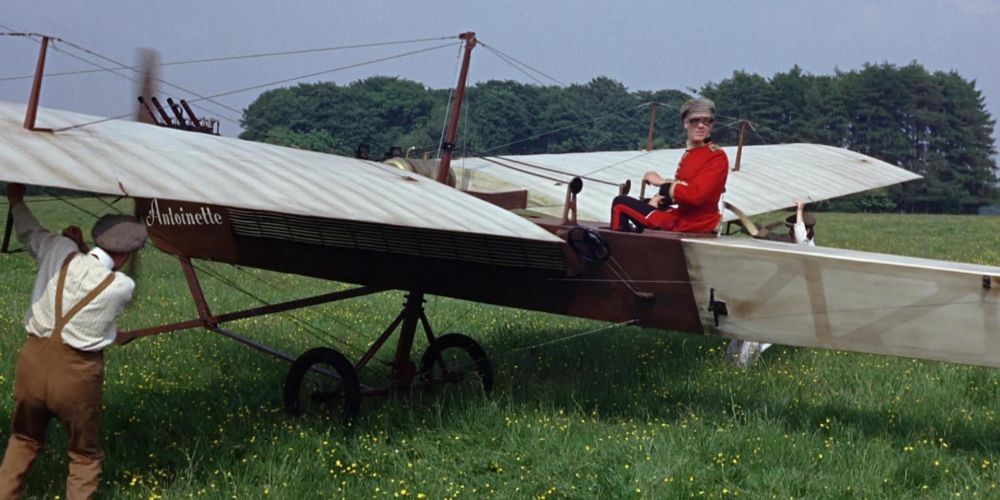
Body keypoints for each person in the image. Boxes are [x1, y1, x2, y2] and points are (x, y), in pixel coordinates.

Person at [0, 183, 146, 499]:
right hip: (77, 372)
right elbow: (96, 279)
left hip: (33, 361)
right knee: (84, 456)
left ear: (98, 237)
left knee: (23, 438)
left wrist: (16, 200)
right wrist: (79, 250)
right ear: (125, 255)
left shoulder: (57, 249)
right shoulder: (122, 286)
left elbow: (29, 232)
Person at [610, 98, 729, 234]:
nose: (700, 126)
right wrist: (662, 198)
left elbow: (696, 197)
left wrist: (660, 182)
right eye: (694, 121)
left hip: (695, 224)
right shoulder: (694, 153)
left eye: (706, 121)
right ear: (685, 123)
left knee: (620, 203)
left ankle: (618, 252)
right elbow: (686, 188)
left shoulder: (716, 156)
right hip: (685, 217)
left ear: (711, 125)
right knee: (647, 202)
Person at [726, 200, 816, 367]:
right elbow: (767, 235)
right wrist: (742, 222)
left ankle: (741, 367)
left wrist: (800, 210)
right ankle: (730, 363)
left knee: (759, 332)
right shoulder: (789, 241)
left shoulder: (808, 246)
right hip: (777, 297)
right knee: (744, 326)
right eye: (790, 228)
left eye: (792, 227)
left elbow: (800, 235)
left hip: (793, 303)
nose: (790, 231)